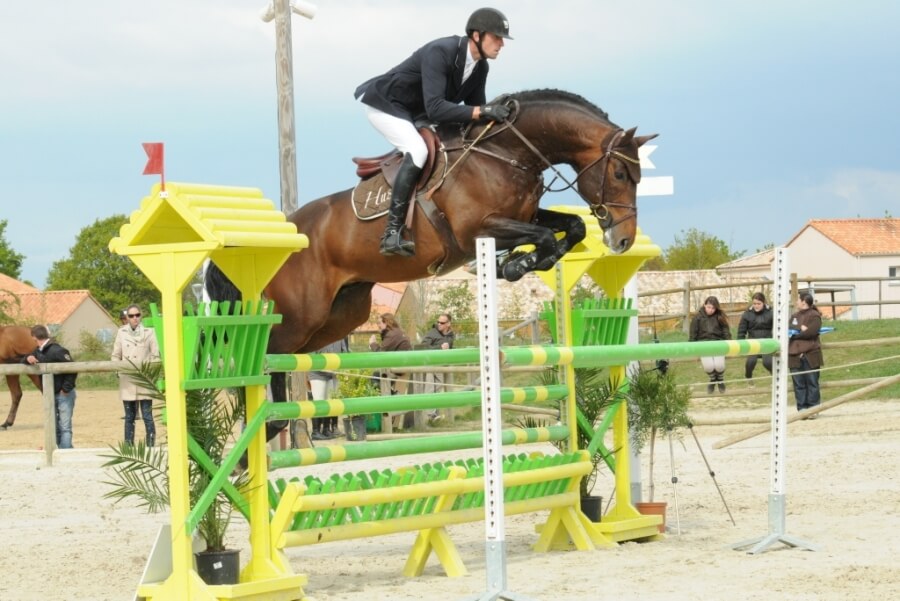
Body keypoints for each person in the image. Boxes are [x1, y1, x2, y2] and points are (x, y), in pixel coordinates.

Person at [355, 7, 512, 257]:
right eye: (496, 37)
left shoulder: (480, 68)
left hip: (418, 113)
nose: (501, 43)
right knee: (417, 151)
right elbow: (438, 108)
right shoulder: (441, 51)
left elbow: (474, 112)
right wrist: (483, 111)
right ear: (476, 35)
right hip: (387, 105)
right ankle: (391, 233)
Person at [111, 304, 160, 446]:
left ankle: (150, 445)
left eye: (137, 315)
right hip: (128, 380)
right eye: (131, 316)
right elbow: (115, 355)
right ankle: (128, 445)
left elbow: (155, 355)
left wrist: (151, 374)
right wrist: (118, 372)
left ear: (141, 316)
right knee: (129, 416)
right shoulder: (121, 333)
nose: (135, 318)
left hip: (144, 379)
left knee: (147, 416)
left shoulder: (149, 332)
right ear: (127, 318)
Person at [23, 325, 77, 448]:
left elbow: (72, 369)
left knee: (64, 427)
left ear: (35, 337)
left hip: (63, 394)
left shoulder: (57, 350)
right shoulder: (38, 351)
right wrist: (28, 358)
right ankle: (64, 450)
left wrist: (66, 389)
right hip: (51, 393)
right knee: (54, 426)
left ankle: (65, 453)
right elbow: (23, 359)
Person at [369, 313, 413, 428]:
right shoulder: (397, 332)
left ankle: (393, 396)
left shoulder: (392, 335)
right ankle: (391, 397)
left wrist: (372, 344)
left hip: (398, 369)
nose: (378, 326)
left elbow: (380, 354)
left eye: (379, 323)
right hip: (402, 366)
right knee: (378, 377)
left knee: (375, 378)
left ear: (386, 322)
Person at [788, 293, 824, 416]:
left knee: (812, 382)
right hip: (794, 354)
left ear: (804, 302)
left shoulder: (815, 316)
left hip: (810, 354)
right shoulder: (794, 316)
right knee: (798, 384)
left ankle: (813, 409)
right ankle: (802, 409)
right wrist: (800, 328)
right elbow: (788, 327)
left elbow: (812, 332)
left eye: (798, 299)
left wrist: (796, 334)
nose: (796, 301)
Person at [689, 296, 732, 394]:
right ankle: (713, 380)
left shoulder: (719, 316)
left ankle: (720, 380)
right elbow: (693, 334)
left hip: (718, 344)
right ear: (704, 305)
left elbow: (726, 331)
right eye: (709, 307)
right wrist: (693, 349)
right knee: (708, 367)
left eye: (713, 308)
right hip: (703, 345)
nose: (711, 310)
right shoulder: (697, 318)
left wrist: (729, 344)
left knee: (719, 365)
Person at [309, 338, 349, 440]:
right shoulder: (317, 335)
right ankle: (315, 431)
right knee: (318, 401)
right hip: (317, 374)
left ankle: (326, 429)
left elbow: (344, 352)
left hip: (333, 374)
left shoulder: (340, 336)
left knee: (330, 401)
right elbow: (311, 356)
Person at [421, 313, 455, 422]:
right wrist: (439, 347)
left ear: (448, 324)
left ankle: (434, 414)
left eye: (442, 323)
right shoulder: (432, 333)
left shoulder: (450, 335)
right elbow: (423, 348)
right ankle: (430, 415)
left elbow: (451, 347)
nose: (439, 324)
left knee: (438, 388)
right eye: (438, 322)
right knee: (432, 388)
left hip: (443, 364)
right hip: (432, 363)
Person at [736, 292, 774, 385]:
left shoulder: (771, 313)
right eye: (754, 304)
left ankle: (775, 376)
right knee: (750, 362)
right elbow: (742, 329)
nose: (756, 306)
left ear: (763, 303)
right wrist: (740, 343)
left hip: (767, 342)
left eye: (758, 304)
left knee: (768, 362)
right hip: (753, 343)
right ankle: (748, 377)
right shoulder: (747, 314)